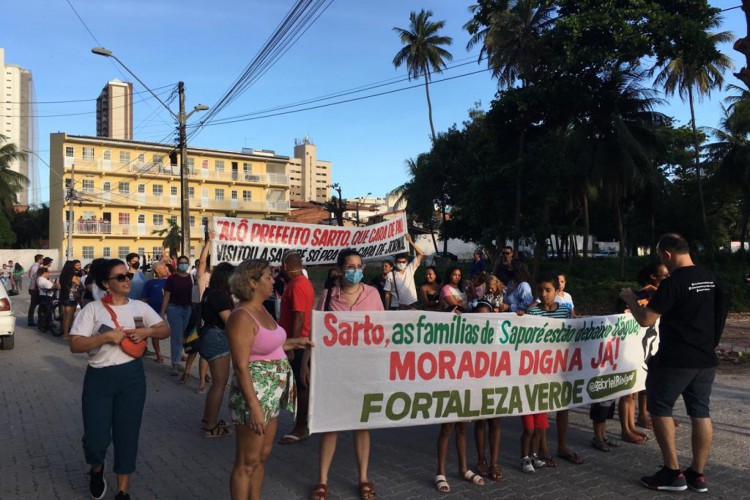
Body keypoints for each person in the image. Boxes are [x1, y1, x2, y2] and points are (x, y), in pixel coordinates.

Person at [620, 233, 720, 493]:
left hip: (676, 359)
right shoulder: (710, 276)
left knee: (660, 408)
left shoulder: (674, 282)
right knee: (701, 412)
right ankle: (697, 475)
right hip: (705, 357)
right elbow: (719, 313)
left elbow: (646, 320)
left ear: (666, 254)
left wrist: (630, 298)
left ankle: (672, 472)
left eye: (659, 256)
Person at [69, 258, 169, 500]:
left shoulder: (139, 307)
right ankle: (96, 468)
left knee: (127, 433)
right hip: (99, 378)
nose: (127, 280)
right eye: (120, 277)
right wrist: (105, 338)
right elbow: (75, 344)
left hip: (131, 377)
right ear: (106, 283)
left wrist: (147, 331)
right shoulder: (93, 309)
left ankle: (123, 490)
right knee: (95, 438)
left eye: (128, 276)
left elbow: (164, 329)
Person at [226, 259, 311, 499]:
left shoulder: (262, 308)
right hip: (254, 395)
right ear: (252, 283)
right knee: (246, 462)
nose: (273, 279)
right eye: (268, 276)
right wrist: (254, 408)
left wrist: (295, 342)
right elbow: (241, 366)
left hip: (271, 394)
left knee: (261, 457)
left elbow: (268, 345)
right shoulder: (241, 316)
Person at [307, 249, 383, 500]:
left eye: (359, 266)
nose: (355, 270)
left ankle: (363, 477)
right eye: (350, 266)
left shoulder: (372, 294)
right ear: (340, 269)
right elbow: (316, 333)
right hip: (334, 370)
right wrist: (306, 363)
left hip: (364, 369)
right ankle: (322, 480)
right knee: (331, 425)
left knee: (361, 424)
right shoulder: (328, 296)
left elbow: (384, 330)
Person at [518, 271, 582, 467]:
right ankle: (542, 448)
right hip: (539, 368)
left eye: (548, 290)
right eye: (540, 290)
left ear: (557, 291)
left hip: (560, 366)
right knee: (542, 405)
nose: (544, 294)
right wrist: (520, 318)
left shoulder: (564, 310)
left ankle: (562, 445)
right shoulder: (533, 312)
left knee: (562, 405)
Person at [278, 252, 315, 445]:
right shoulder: (296, 283)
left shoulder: (299, 284)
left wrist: (291, 345)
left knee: (301, 385)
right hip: (295, 343)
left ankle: (301, 427)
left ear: (285, 265)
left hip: (298, 345)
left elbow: (299, 317)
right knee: (299, 385)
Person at [199, 262, 235, 438]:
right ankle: (211, 427)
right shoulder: (219, 296)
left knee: (216, 384)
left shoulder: (209, 291)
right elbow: (230, 321)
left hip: (209, 335)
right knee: (219, 385)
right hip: (218, 338)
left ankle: (208, 419)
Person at [160, 255, 194, 376]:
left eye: (185, 263)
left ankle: (179, 357)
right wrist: (162, 312)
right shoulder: (172, 279)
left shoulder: (192, 278)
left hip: (188, 309)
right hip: (174, 309)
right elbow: (167, 295)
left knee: (185, 336)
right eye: (181, 263)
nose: (183, 265)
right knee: (177, 336)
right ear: (177, 264)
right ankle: (175, 364)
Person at [383, 234, 423, 310]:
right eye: (399, 262)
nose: (401, 263)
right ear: (395, 263)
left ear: (407, 262)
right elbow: (387, 293)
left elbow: (421, 254)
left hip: (411, 303)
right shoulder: (390, 275)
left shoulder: (410, 269)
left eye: (403, 262)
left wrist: (410, 241)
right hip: (396, 306)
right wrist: (387, 309)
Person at [141, 262, 170, 363]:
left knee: (175, 333)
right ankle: (159, 355)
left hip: (169, 312)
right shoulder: (149, 283)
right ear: (157, 270)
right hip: (154, 312)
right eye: (163, 267)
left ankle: (178, 354)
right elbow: (144, 299)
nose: (166, 268)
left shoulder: (170, 281)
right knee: (155, 334)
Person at [59, 260, 83, 340]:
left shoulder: (62, 275)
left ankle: (64, 331)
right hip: (71, 297)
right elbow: (80, 285)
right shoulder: (73, 277)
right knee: (69, 317)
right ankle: (66, 335)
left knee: (65, 316)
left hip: (62, 296)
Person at [27, 253, 43, 326]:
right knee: (33, 305)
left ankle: (33, 320)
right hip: (35, 288)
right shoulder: (36, 267)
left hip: (33, 287)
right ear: (39, 259)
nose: (43, 260)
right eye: (42, 259)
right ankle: (31, 321)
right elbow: (37, 277)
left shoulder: (33, 266)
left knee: (34, 305)